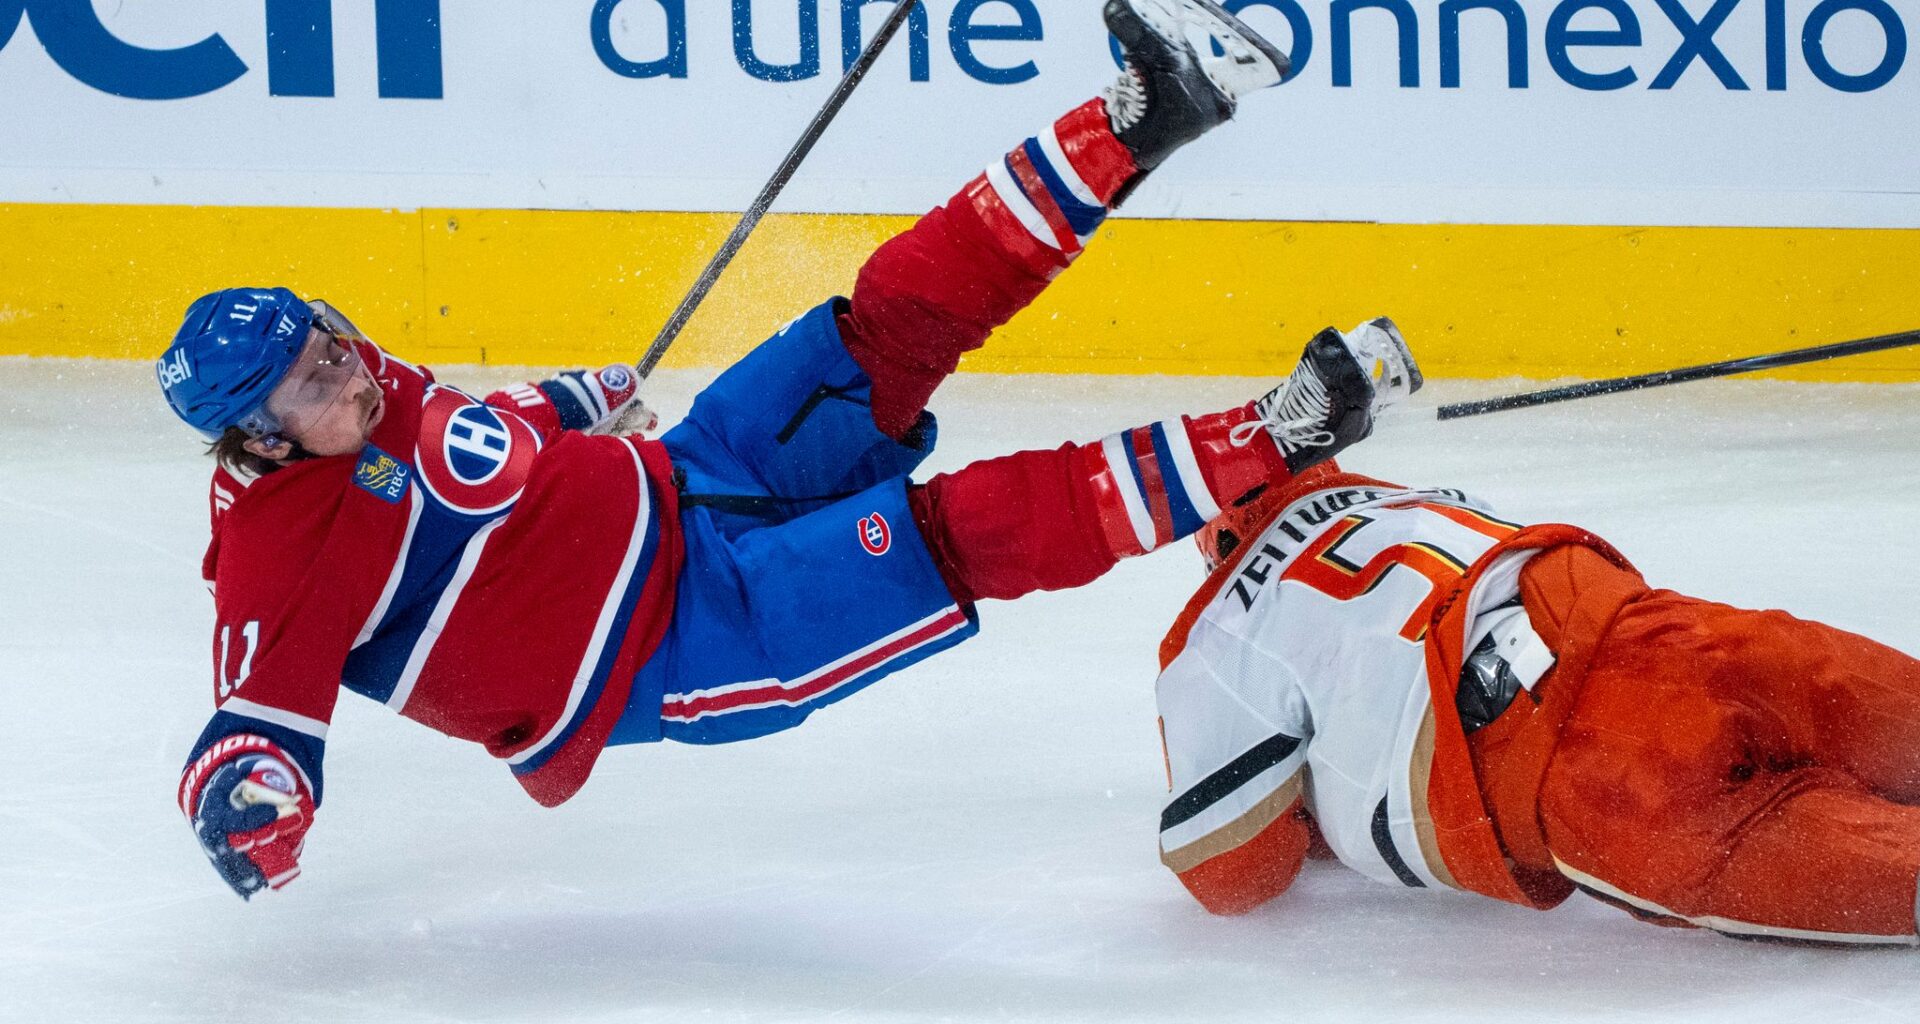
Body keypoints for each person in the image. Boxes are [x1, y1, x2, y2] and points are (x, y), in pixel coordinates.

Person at [158, 0, 1425, 899]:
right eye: (308, 381)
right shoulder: (277, 550)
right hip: (692, 643)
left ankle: (1145, 113)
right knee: (956, 533)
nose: (343, 367)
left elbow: (467, 441)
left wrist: (568, 404)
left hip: (696, 472)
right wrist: (248, 797)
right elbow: (254, 718)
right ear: (256, 444)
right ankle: (1279, 431)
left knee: (883, 328)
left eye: (330, 339)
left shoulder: (357, 385)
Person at [1150, 455, 1920, 946]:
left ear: (1215, 543)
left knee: (1893, 875)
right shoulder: (1420, 497)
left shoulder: (1218, 632)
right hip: (1667, 634)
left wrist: (1312, 817)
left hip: (1572, 771)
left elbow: (1231, 872)